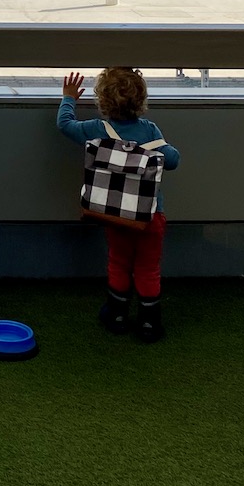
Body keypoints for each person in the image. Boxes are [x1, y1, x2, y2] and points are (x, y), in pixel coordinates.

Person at [58, 68, 180, 342]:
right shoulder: (149, 130)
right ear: (141, 100)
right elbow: (172, 160)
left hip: (116, 215)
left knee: (118, 262)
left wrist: (68, 98)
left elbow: (65, 125)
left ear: (102, 101)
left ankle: (117, 315)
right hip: (150, 217)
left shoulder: (96, 129)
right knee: (148, 267)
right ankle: (149, 323)